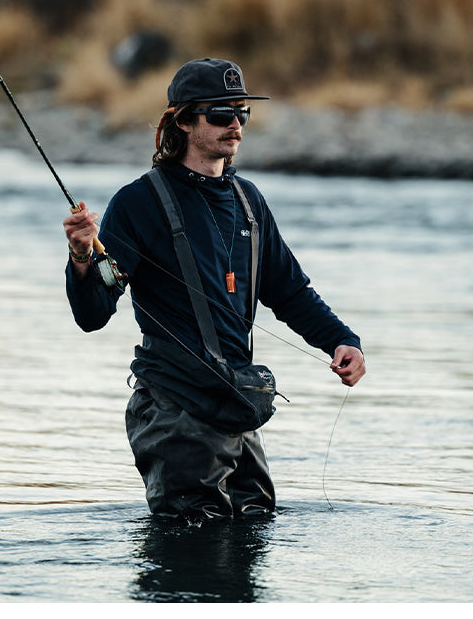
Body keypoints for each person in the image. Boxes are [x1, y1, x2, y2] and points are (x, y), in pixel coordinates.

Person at [63, 57, 366, 520]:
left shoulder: (250, 201)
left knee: (255, 525)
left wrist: (341, 340)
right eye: (221, 114)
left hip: (238, 406)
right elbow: (93, 315)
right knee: (193, 541)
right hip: (174, 411)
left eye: (242, 113)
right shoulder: (137, 202)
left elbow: (289, 290)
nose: (235, 125)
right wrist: (82, 256)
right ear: (183, 121)